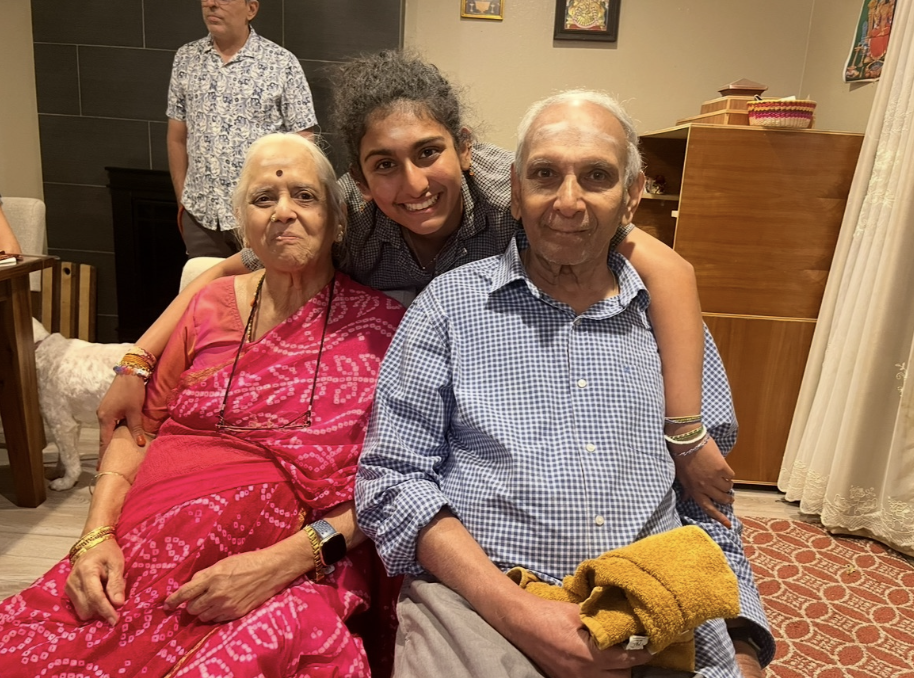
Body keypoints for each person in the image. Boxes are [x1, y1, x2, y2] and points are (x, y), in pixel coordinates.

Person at [102, 50, 733, 527]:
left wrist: (685, 433)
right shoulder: (345, 214)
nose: (413, 184)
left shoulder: (518, 194)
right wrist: (136, 362)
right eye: (385, 165)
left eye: (429, 153)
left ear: (464, 149)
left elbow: (671, 271)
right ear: (359, 178)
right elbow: (226, 271)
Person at [354, 91, 774, 678]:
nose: (568, 202)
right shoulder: (446, 308)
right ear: (515, 191)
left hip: (652, 604)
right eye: (545, 175)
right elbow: (392, 483)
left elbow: (707, 502)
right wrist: (520, 613)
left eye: (597, 176)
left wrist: (743, 647)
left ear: (632, 195)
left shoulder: (670, 326)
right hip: (482, 610)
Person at [0, 134, 405, 677]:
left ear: (337, 220)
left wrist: (278, 564)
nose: (283, 212)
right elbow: (139, 428)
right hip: (145, 545)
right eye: (263, 199)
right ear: (243, 225)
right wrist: (94, 535)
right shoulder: (208, 307)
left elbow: (397, 480)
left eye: (305, 196)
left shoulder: (383, 329)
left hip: (293, 569)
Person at [167, 0, 317, 258]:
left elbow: (304, 144)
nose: (211, 4)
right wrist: (183, 201)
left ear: (251, 9)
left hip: (262, 218)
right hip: (201, 219)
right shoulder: (186, 58)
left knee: (263, 284)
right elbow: (177, 138)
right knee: (204, 283)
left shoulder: (282, 64)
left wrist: (287, 209)